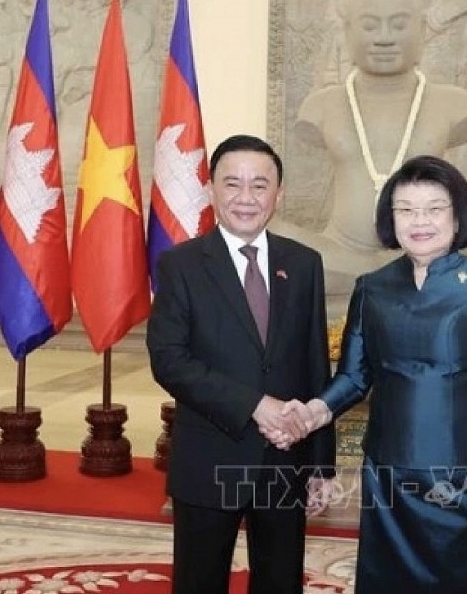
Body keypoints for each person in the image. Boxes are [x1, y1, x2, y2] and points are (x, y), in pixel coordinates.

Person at [269, 155, 467, 593]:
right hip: (391, 481)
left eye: (434, 208)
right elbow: (354, 378)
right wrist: (314, 411)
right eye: (406, 209)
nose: (420, 221)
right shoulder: (372, 288)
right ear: (390, 219)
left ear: (457, 216)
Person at [271, 0, 467, 313]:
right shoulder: (321, 105)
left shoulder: (453, 102)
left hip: (434, 253)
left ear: (421, 29)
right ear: (348, 31)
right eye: (370, 25)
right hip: (341, 251)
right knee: (271, 241)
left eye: (399, 25)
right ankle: (402, 281)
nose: (384, 37)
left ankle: (390, 280)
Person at [146, 134, 336, 594]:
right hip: (210, 456)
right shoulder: (180, 265)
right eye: (232, 184)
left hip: (285, 459)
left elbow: (315, 365)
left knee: (280, 581)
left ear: (278, 193)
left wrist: (321, 465)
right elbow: (169, 361)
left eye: (259, 185)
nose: (245, 198)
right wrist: (255, 405)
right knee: (199, 581)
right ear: (211, 190)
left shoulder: (305, 263)